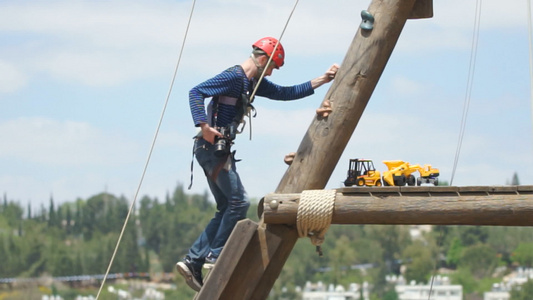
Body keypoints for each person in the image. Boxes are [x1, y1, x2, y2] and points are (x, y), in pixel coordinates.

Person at [176, 36, 339, 292]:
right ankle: (214, 257)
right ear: (263, 60)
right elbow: (196, 91)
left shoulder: (249, 83)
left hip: (212, 151)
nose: (272, 72)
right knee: (239, 202)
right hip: (211, 148)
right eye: (272, 66)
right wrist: (204, 126)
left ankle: (193, 261)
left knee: (226, 207)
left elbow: (285, 93)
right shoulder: (234, 76)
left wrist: (323, 79)